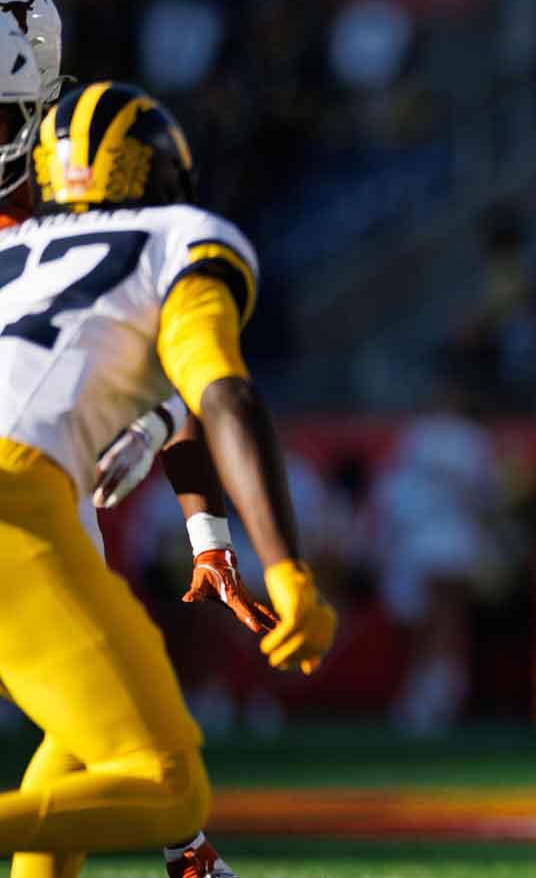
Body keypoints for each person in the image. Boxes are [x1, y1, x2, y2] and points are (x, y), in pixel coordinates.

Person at [0, 77, 338, 871]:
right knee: (167, 783)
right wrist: (286, 569)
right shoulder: (179, 236)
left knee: (87, 723)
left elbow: (162, 391)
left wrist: (206, 534)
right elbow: (218, 390)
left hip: (31, 489)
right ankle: (190, 852)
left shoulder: (16, 251)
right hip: (16, 497)